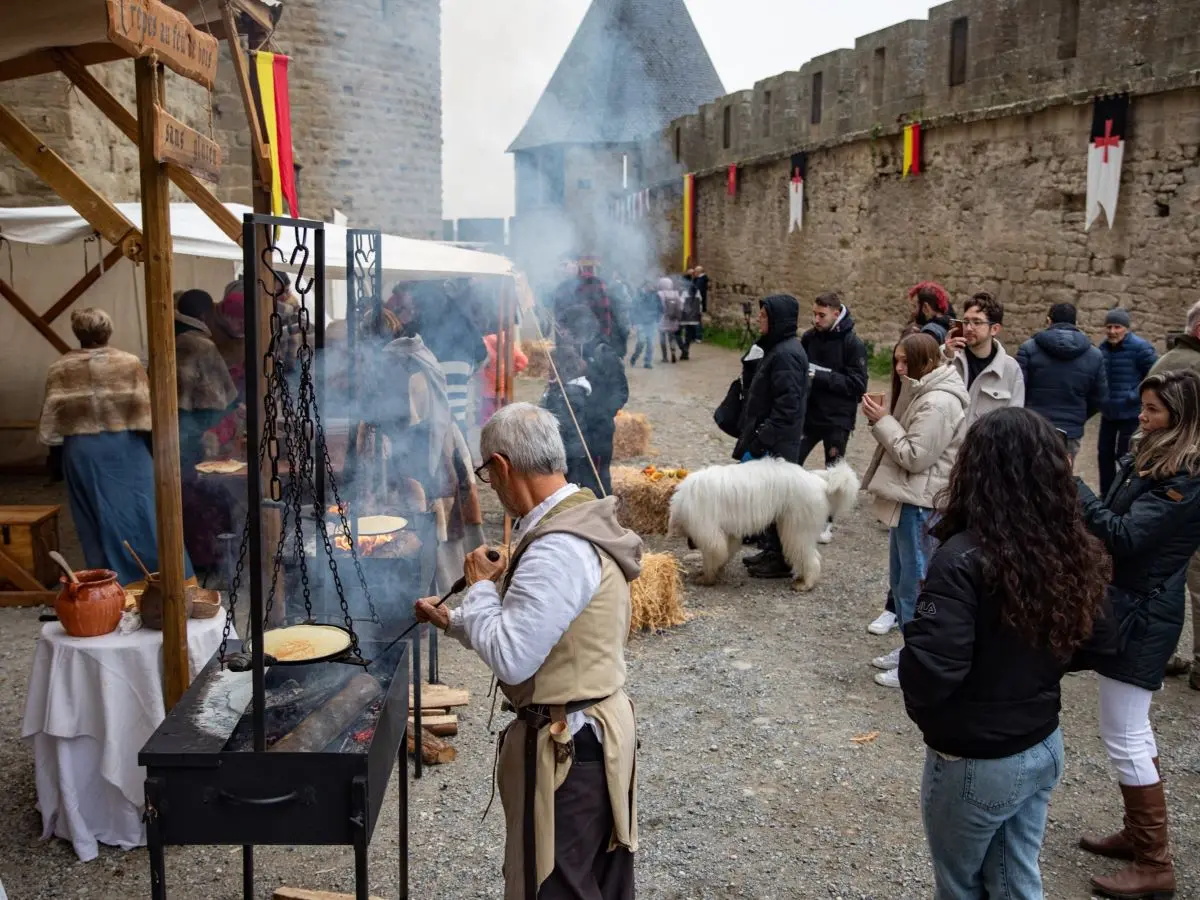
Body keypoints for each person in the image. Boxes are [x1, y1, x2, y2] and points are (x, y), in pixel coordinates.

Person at [414, 403, 642, 900]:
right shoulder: (572, 512)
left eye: (486, 474)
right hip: (591, 737)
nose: (490, 485)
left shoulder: (558, 547)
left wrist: (477, 588)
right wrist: (456, 620)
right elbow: (533, 631)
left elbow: (514, 656)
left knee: (557, 887)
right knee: (584, 882)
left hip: (571, 747)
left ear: (500, 466)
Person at [901, 408, 1109, 900]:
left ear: (974, 470)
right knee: (1016, 882)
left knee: (960, 887)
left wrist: (946, 722)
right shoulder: (1070, 544)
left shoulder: (961, 558)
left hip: (978, 757)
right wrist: (1032, 669)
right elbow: (1097, 640)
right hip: (1041, 743)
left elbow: (931, 672)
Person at [1075, 369, 1200, 900]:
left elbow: (1125, 536)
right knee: (1129, 731)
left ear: (1182, 416)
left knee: (1125, 733)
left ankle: (1155, 864)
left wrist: (1074, 489)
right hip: (1129, 603)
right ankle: (1138, 834)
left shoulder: (1188, 477)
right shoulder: (1150, 455)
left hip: (1145, 614)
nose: (1142, 418)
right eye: (1143, 408)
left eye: (1153, 411)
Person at [39, 308, 193, 585]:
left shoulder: (60, 367)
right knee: (146, 511)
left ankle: (109, 586)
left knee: (95, 518)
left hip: (82, 450)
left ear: (77, 332)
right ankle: (167, 579)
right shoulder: (129, 363)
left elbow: (51, 425)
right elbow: (148, 414)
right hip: (126, 447)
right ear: (108, 331)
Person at [861, 333, 968, 688]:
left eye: (905, 361)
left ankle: (918, 658)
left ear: (924, 362)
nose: (899, 368)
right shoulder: (925, 389)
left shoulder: (938, 402)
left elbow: (915, 455)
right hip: (909, 498)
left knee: (916, 585)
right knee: (901, 579)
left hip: (921, 503)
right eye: (897, 361)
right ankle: (910, 649)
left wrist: (882, 421)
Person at [736, 295, 810, 580]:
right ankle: (770, 549)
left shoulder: (787, 354)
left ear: (778, 319)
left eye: (764, 316)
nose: (758, 320)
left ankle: (780, 558)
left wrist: (761, 438)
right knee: (767, 499)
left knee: (778, 502)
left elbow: (787, 407)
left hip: (778, 442)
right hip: (771, 439)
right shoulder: (776, 348)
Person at [1153, 300, 1200, 688]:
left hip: (1162, 477)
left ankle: (1159, 652)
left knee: (1162, 569)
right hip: (1191, 479)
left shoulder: (1166, 360)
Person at [174, 290, 238, 573]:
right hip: (194, 434)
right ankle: (209, 558)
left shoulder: (167, 340)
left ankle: (183, 554)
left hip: (169, 433)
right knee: (207, 494)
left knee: (181, 496)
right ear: (204, 316)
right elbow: (221, 398)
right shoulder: (202, 346)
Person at [798, 291, 868, 543]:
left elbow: (858, 384)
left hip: (837, 419)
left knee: (833, 472)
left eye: (822, 315)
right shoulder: (808, 338)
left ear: (836, 313)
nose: (816, 319)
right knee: (792, 461)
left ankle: (826, 522)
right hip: (810, 415)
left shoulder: (852, 343)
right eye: (814, 314)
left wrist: (820, 375)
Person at [1017, 303, 1107, 460]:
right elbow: (1100, 398)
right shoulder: (1095, 355)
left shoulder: (1028, 349)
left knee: (1029, 478)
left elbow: (1017, 389)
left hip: (1033, 427)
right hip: (1070, 431)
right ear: (1075, 324)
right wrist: (1078, 416)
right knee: (1062, 479)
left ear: (1048, 321)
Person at [941, 291, 1025, 425]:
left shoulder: (1011, 369)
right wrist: (945, 358)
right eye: (966, 321)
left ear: (995, 329)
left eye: (977, 322)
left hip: (985, 445)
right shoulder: (946, 355)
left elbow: (1014, 423)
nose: (968, 328)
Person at [1098, 308, 1158, 495]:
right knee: (1104, 455)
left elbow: (1154, 374)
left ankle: (1123, 495)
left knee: (1126, 457)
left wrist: (1135, 395)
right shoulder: (1102, 349)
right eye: (1109, 327)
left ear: (1126, 328)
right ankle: (1106, 494)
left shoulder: (1141, 348)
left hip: (1132, 414)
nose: (1112, 331)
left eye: (1117, 327)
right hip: (1109, 412)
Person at [540, 345, 599, 496]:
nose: (549, 368)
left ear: (560, 365)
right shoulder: (562, 388)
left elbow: (559, 423)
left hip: (567, 449)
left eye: (552, 364)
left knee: (565, 489)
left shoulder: (569, 393)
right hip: (568, 447)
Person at [581, 337, 629, 497]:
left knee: (599, 472)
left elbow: (621, 391)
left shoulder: (606, 355)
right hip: (577, 427)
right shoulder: (572, 349)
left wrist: (603, 412)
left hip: (599, 427)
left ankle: (602, 507)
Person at [480, 333, 529, 426]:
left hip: (486, 390)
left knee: (487, 421)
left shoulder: (483, 340)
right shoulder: (506, 338)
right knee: (504, 420)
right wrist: (512, 371)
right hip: (504, 390)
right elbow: (523, 361)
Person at [629, 280, 662, 369]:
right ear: (645, 286)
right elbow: (633, 309)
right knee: (641, 342)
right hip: (641, 322)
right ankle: (635, 356)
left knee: (650, 343)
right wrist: (634, 322)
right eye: (649, 285)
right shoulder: (638, 296)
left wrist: (658, 319)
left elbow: (661, 308)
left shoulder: (656, 296)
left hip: (652, 322)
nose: (651, 287)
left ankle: (647, 362)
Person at [657, 277, 685, 364]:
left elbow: (657, 307)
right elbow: (680, 306)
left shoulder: (659, 294)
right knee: (672, 337)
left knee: (662, 339)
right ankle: (673, 352)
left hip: (662, 319)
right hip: (673, 319)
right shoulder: (676, 294)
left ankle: (665, 357)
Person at [679, 271, 701, 353]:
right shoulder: (696, 289)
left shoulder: (684, 290)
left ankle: (684, 349)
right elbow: (699, 301)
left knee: (679, 332)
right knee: (689, 333)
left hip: (685, 313)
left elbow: (682, 302)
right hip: (694, 314)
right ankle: (686, 348)